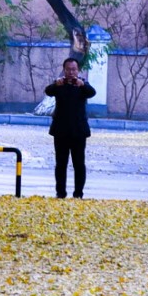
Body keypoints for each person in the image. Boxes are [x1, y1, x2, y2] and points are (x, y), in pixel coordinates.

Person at [45, 56, 95, 198]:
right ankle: (60, 193)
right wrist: (56, 84)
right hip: (60, 130)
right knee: (61, 164)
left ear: (78, 70)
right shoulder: (59, 85)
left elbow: (92, 93)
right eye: (68, 69)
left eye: (74, 69)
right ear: (64, 70)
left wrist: (82, 84)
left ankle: (78, 193)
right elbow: (48, 91)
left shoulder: (82, 85)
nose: (71, 72)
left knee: (79, 164)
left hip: (79, 131)